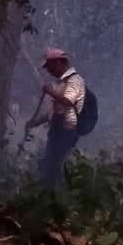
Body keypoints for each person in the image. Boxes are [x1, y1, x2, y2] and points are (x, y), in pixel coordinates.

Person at [25, 48, 87, 188]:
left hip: (67, 131)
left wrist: (50, 92)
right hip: (56, 131)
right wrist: (35, 122)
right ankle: (50, 192)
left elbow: (69, 102)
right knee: (48, 163)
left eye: (50, 66)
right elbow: (53, 112)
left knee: (54, 164)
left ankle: (56, 192)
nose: (49, 70)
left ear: (59, 63)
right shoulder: (59, 84)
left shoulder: (75, 80)